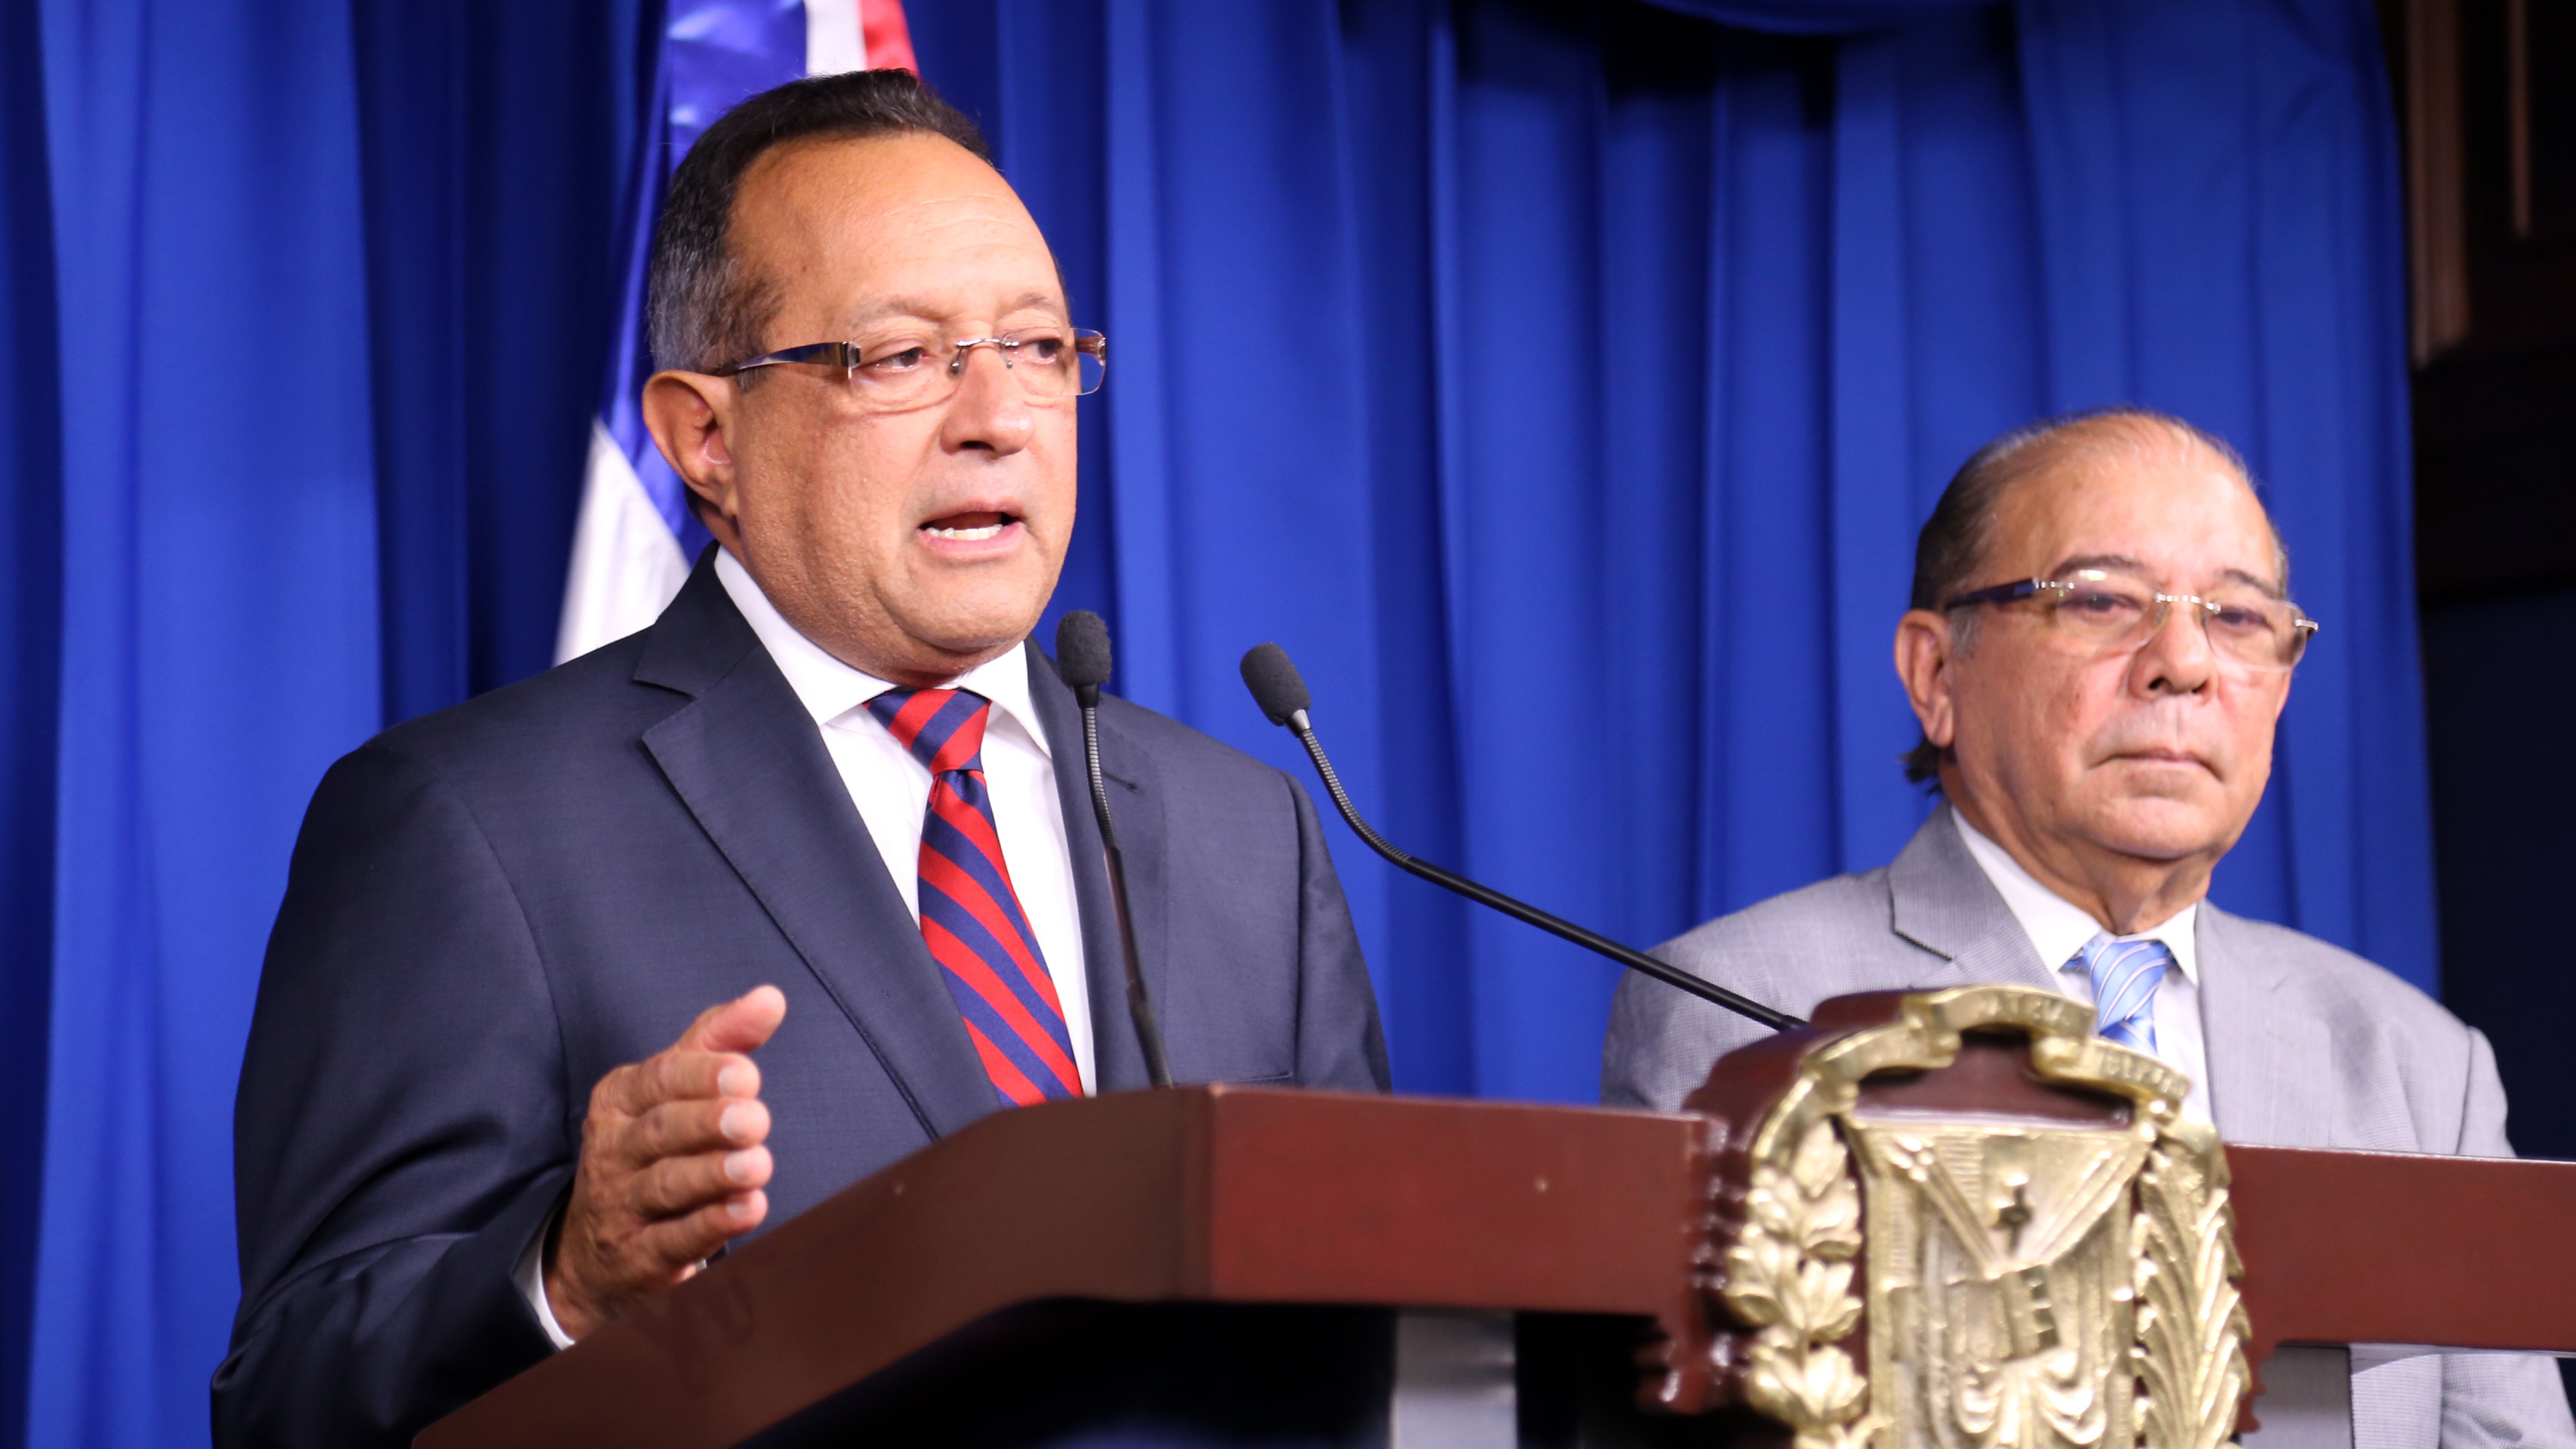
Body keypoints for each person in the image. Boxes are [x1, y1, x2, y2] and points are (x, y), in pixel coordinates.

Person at [216, 71, 1388, 1448]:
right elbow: (293, 1393)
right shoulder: (469, 822)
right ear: (704, 434)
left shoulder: (1248, 828)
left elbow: (1372, 1318)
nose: (998, 416)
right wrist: (565, 1278)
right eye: (899, 357)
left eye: (1036, 347)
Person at [1602, 408, 2575, 1448]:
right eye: (2102, 601)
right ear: (1936, 675)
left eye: (2237, 618)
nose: (2183, 663)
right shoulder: (1743, 1009)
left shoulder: (2418, 1066)